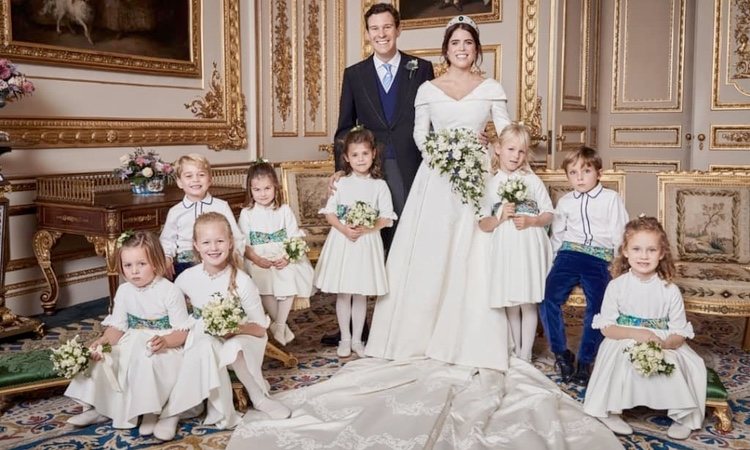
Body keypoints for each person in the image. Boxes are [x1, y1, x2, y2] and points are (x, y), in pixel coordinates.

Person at [226, 16, 622, 449]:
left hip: (473, 178)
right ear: (445, 48)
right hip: (436, 178)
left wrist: (483, 157)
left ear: (477, 48)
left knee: (475, 251)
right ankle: (416, 333)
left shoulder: (492, 89)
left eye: (468, 42)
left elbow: (506, 133)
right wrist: (443, 154)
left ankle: (479, 335)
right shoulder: (428, 88)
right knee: (428, 254)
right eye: (455, 42)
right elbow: (418, 135)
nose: (461, 48)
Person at [321, 2, 434, 347]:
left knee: (405, 243)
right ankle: (358, 328)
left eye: (387, 27)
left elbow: (434, 119)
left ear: (398, 29)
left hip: (411, 167)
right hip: (367, 172)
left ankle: (401, 322)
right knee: (367, 246)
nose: (381, 34)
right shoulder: (354, 74)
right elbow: (343, 129)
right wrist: (342, 171)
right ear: (367, 33)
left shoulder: (422, 68)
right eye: (374, 29)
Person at [583, 216, 706, 440]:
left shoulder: (669, 290)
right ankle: (610, 410)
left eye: (651, 250)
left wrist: (665, 344)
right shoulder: (616, 286)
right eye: (637, 249)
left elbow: (679, 332)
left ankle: (682, 416)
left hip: (662, 338)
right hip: (624, 335)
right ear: (626, 251)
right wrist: (636, 334)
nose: (643, 255)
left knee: (678, 362)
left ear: (661, 253)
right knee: (619, 355)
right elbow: (607, 328)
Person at [65, 231, 192, 441]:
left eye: (141, 264)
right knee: (107, 358)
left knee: (146, 360)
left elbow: (182, 332)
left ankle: (150, 410)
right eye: (128, 266)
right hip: (131, 339)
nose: (134, 272)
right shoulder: (124, 291)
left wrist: (165, 341)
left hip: (162, 346)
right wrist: (102, 343)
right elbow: (118, 328)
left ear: (156, 263)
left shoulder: (170, 291)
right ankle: (103, 407)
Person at [173, 212, 292, 420]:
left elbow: (259, 327)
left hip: (243, 336)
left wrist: (235, 329)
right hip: (204, 336)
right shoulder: (185, 279)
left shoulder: (242, 281)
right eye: (206, 242)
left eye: (220, 241)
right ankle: (197, 405)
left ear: (230, 243)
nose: (213, 248)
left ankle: (259, 398)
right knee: (203, 341)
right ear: (196, 245)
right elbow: (176, 316)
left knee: (233, 347)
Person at [539, 146, 629, 385]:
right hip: (569, 255)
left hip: (599, 259)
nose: (579, 177)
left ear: (598, 173)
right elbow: (557, 235)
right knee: (547, 298)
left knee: (599, 305)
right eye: (573, 172)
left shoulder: (611, 199)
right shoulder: (566, 202)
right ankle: (562, 353)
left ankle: (585, 360)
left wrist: (619, 264)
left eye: (585, 171)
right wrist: (552, 266)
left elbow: (620, 232)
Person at [314, 127, 395, 358]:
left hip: (366, 243)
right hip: (343, 242)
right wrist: (344, 229)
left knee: (360, 293)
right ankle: (345, 338)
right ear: (347, 158)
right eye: (355, 155)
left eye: (365, 154)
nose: (361, 159)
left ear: (373, 155)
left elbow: (386, 217)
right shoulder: (341, 183)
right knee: (344, 293)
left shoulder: (379, 186)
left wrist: (368, 227)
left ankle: (359, 339)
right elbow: (330, 213)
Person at [478, 123, 553, 362]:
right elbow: (482, 223)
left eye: (521, 152)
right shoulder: (491, 183)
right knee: (510, 300)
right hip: (505, 247)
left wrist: (532, 221)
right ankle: (515, 349)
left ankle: (525, 353)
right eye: (511, 149)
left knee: (528, 301)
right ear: (498, 148)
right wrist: (500, 217)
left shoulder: (531, 180)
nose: (516, 156)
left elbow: (549, 213)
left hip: (529, 244)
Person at [239, 161, 315, 346]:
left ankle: (279, 326)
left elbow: (295, 237)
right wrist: (257, 259)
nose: (263, 194)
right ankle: (280, 326)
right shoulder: (247, 214)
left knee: (288, 275)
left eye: (267, 188)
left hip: (283, 254)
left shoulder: (284, 210)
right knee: (262, 280)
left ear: (275, 187)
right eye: (257, 190)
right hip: (258, 257)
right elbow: (244, 244)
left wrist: (287, 257)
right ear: (250, 190)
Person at [160, 153, 244, 279]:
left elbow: (236, 237)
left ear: (209, 179)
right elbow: (167, 240)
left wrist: (235, 259)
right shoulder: (175, 211)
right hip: (185, 264)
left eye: (201, 175)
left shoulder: (221, 206)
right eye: (189, 176)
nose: (195, 180)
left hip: (217, 260)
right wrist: (167, 257)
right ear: (179, 182)